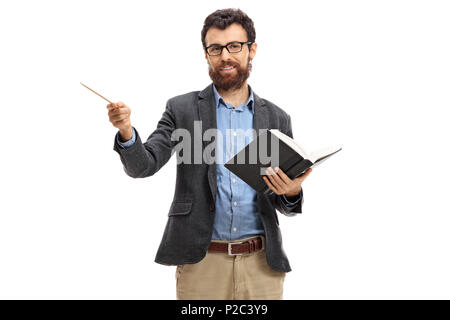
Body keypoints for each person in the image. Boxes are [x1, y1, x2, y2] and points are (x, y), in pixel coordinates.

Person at [107, 8, 312, 300]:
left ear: (251, 50)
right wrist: (127, 131)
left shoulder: (277, 118)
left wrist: (292, 192)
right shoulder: (182, 110)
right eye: (215, 48)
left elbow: (285, 203)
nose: (225, 56)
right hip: (201, 264)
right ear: (206, 54)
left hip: (263, 267)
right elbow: (144, 165)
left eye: (234, 46)